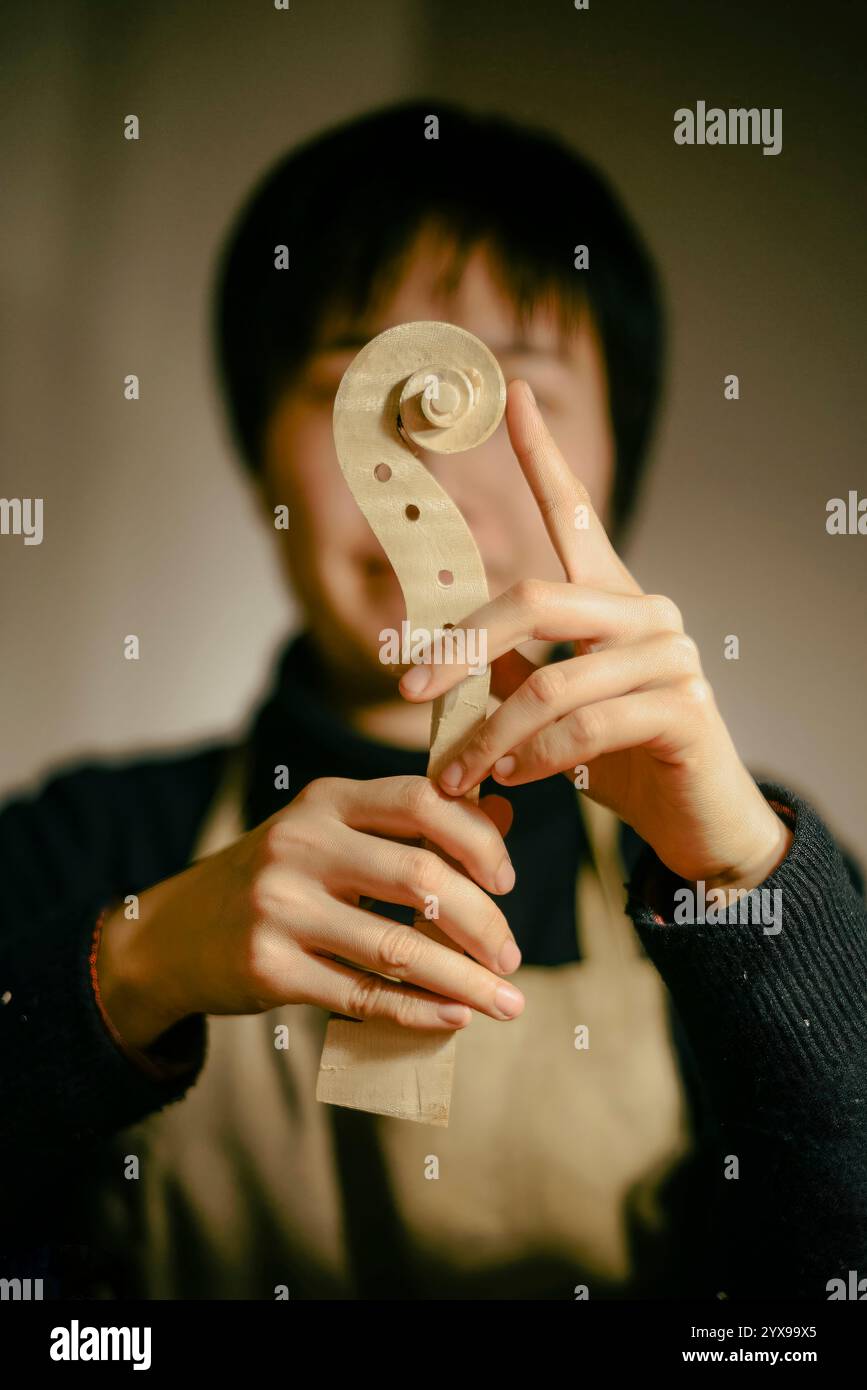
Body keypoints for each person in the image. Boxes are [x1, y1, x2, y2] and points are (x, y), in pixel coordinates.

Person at [1, 100, 865, 1302]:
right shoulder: (80, 843)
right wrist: (133, 969)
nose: (427, 462)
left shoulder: (747, 871)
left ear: (613, 454)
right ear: (262, 451)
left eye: (513, 391)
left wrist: (758, 895)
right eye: (362, 383)